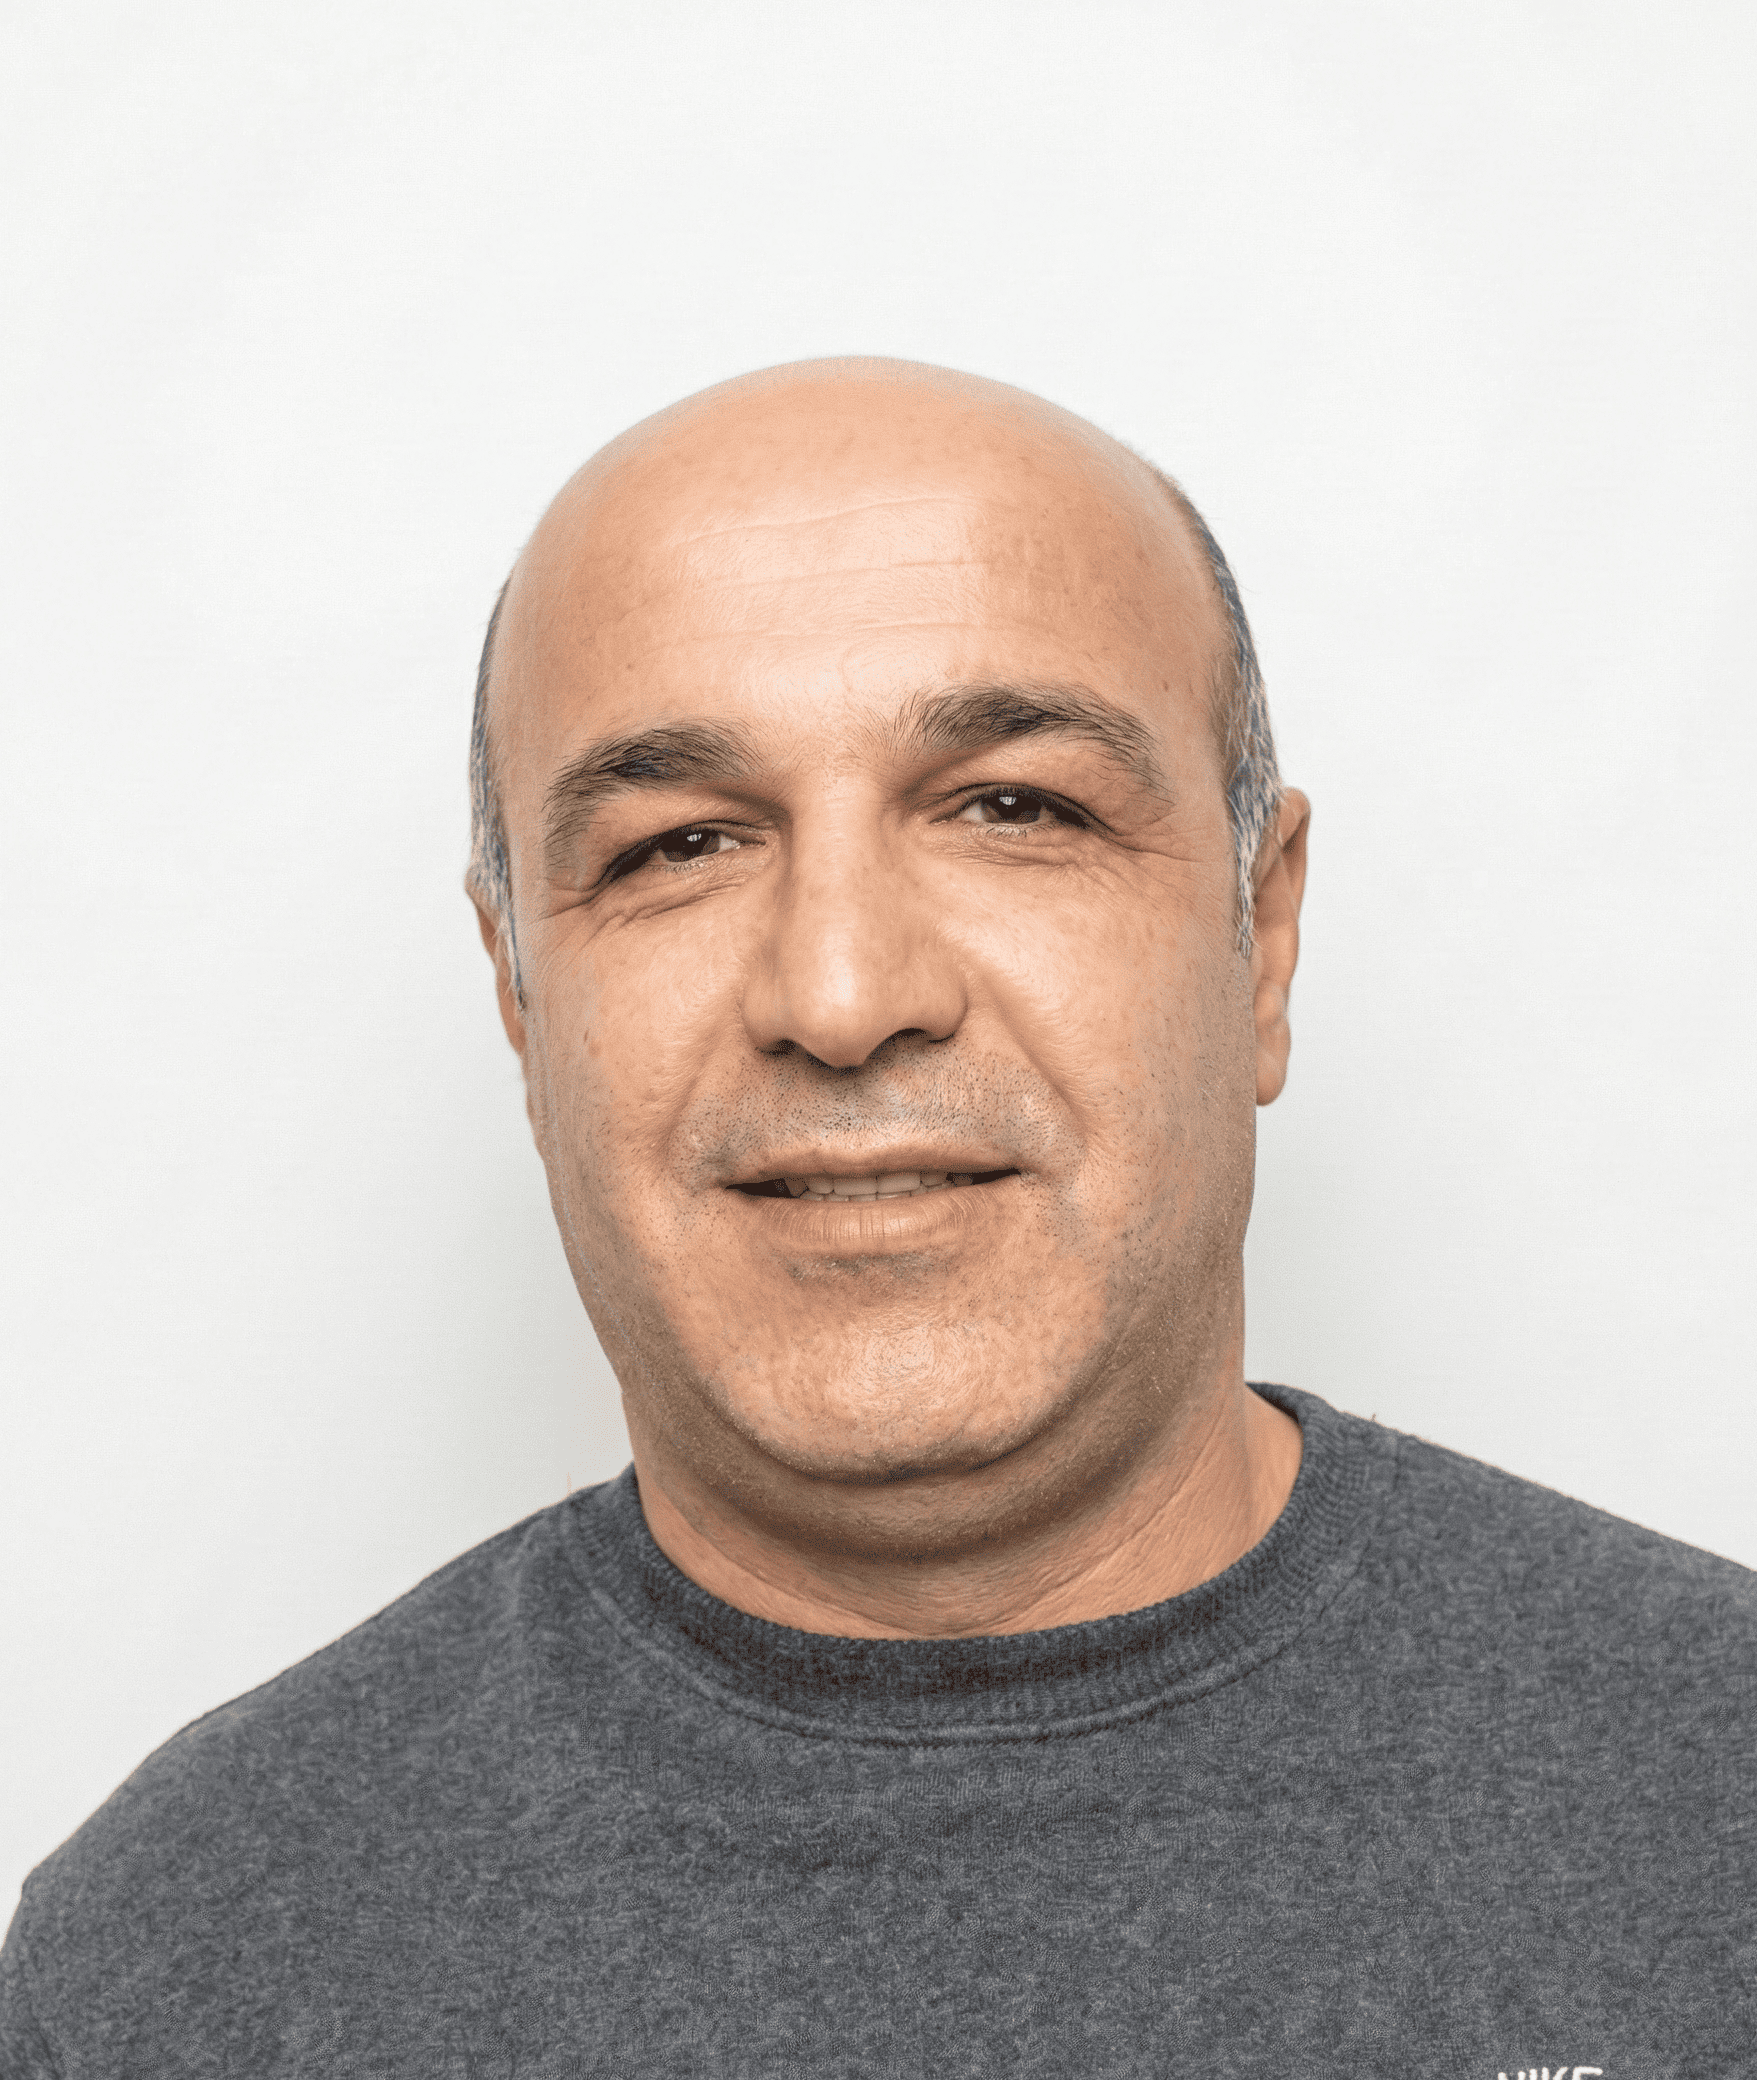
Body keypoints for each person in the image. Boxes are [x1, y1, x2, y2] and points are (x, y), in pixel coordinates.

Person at [2, 360, 1750, 2075]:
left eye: (1014, 807)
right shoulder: (168, 1973)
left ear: (1262, 941)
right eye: (679, 846)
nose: (841, 995)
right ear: (522, 999)